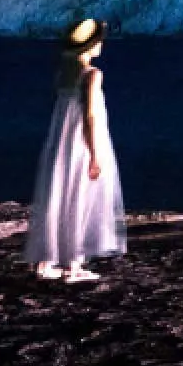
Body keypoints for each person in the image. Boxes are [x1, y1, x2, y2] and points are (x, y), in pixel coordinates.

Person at [25, 15, 125, 283]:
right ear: (90, 46)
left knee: (58, 196)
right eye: (98, 41)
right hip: (80, 143)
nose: (101, 45)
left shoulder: (64, 74)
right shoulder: (92, 75)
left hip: (61, 143)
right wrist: (95, 154)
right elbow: (91, 116)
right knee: (80, 197)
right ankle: (73, 265)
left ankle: (45, 261)